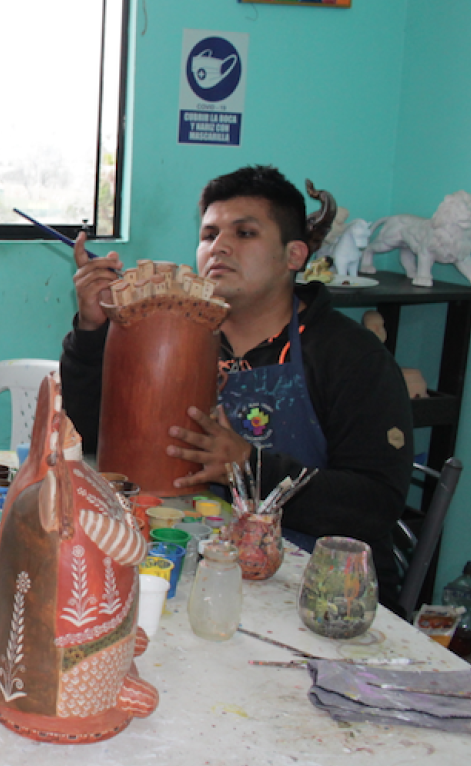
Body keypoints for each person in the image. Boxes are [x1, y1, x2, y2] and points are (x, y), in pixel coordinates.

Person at [60, 165, 413, 606]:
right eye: (208, 235)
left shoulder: (351, 356)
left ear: (294, 255)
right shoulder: (174, 334)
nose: (219, 247)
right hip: (201, 565)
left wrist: (249, 467)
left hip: (322, 593)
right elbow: (91, 439)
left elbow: (374, 504)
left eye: (244, 234)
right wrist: (94, 332)